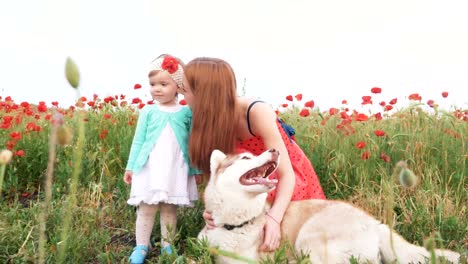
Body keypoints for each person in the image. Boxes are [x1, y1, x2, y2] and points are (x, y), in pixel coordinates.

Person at [178, 57, 326, 253]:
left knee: (281, 239)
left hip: (283, 176)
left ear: (204, 95)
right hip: (247, 177)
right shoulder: (208, 119)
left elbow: (286, 175)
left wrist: (274, 219)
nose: (181, 95)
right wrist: (213, 210)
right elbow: (220, 173)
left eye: (185, 90)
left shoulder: (255, 112)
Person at [123, 54, 199, 264]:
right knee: (146, 207)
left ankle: (167, 246)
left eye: (164, 84)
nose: (157, 88)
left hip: (175, 167)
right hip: (150, 166)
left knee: (169, 209)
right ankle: (141, 246)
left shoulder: (185, 113)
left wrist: (195, 170)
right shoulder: (148, 111)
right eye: (153, 84)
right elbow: (138, 141)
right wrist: (130, 167)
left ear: (178, 86)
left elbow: (192, 143)